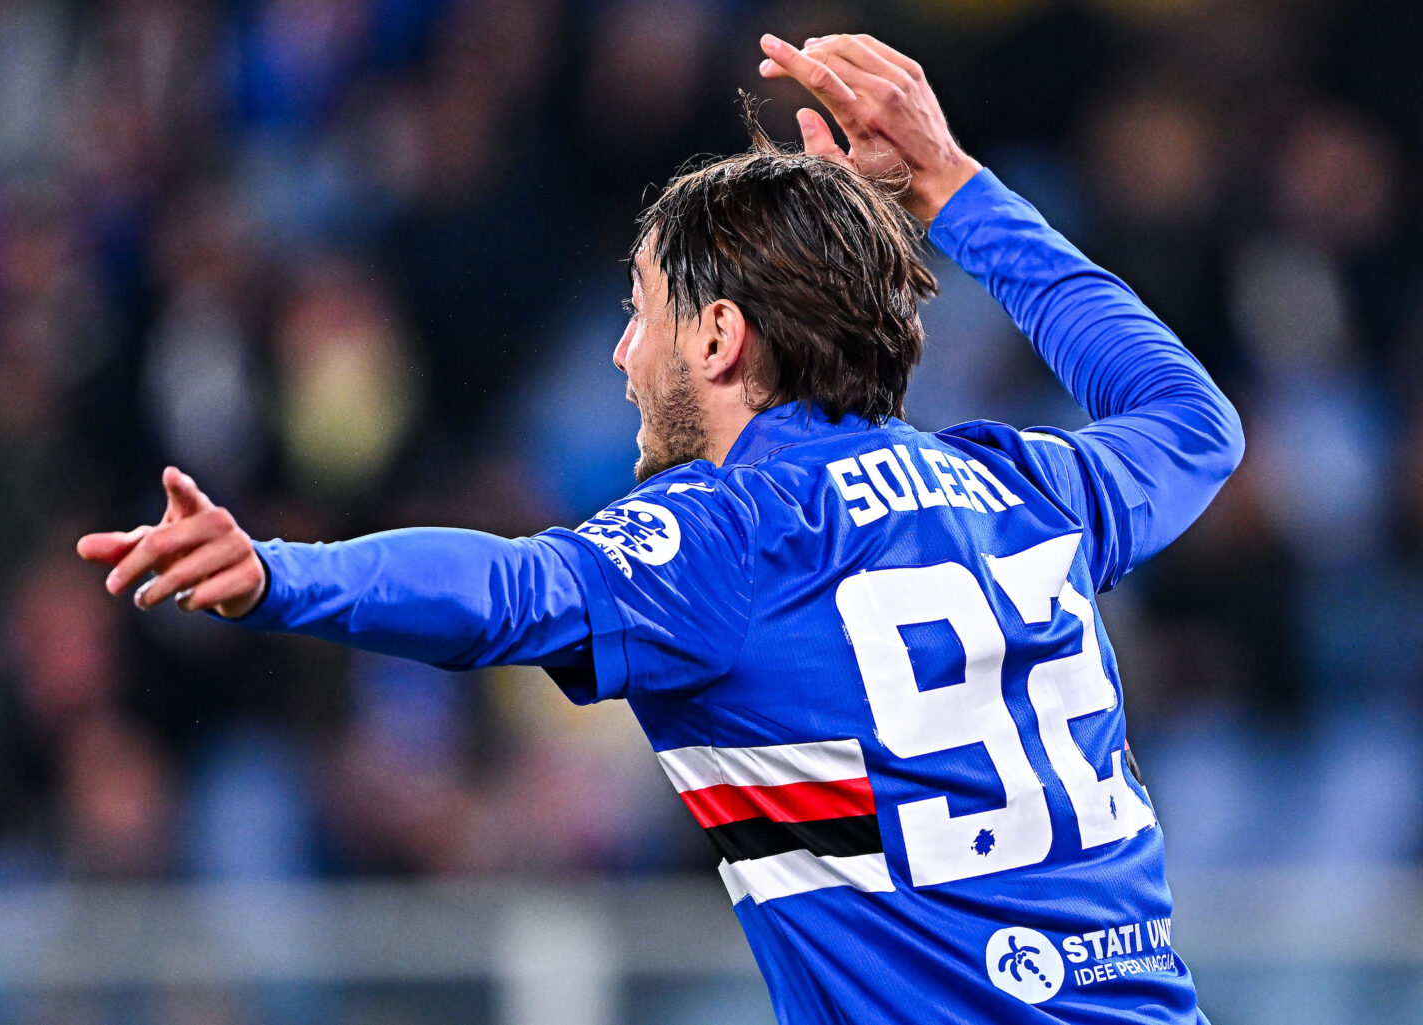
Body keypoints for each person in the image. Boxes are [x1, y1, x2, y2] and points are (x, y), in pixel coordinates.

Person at [79, 32, 1241, 1025]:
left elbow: (505, 593)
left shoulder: (738, 534)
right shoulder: (1025, 489)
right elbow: (1194, 422)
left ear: (720, 337)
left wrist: (279, 573)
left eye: (642, 311)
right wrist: (957, 191)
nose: (624, 354)